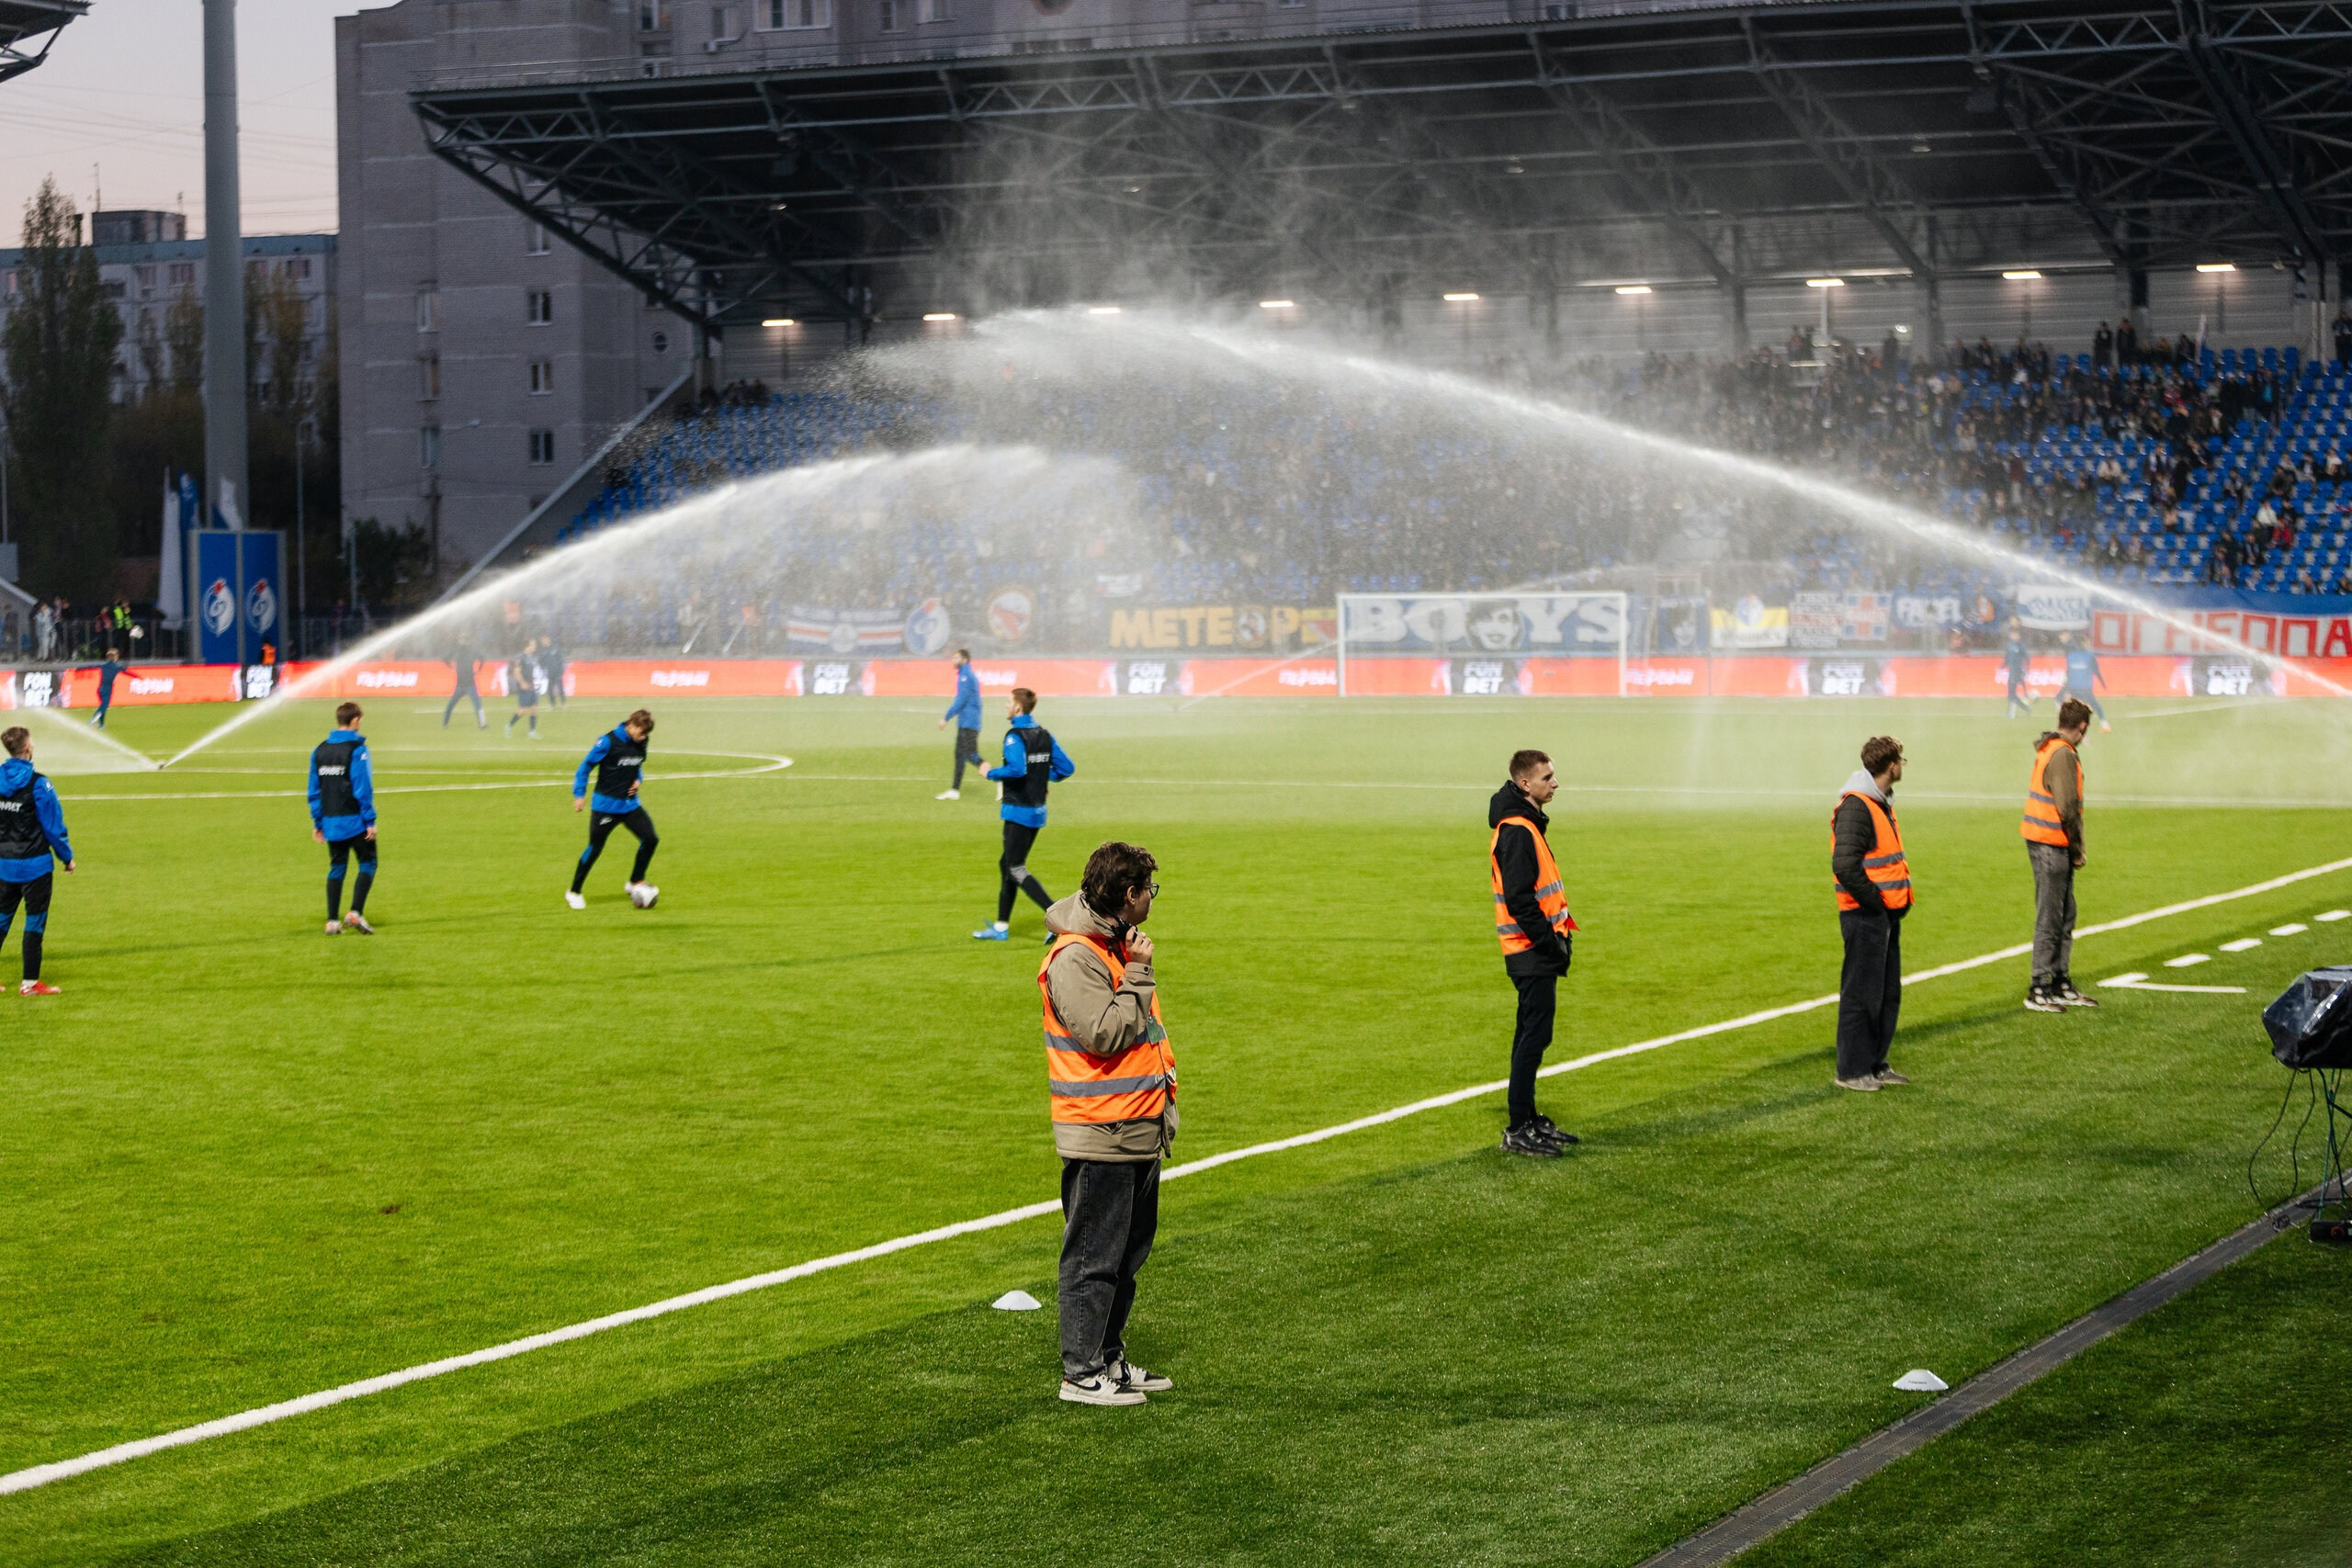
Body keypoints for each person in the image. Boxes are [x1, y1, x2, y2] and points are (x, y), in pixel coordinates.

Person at [1039, 840, 1177, 1406]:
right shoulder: (1076, 957)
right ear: (1128, 895)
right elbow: (1103, 1033)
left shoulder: (1115, 944)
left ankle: (1109, 1357)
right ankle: (1081, 1372)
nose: (1152, 898)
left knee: (1126, 1256)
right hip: (1101, 1130)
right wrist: (1140, 976)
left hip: (1135, 1126)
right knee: (1094, 1256)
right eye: (1150, 889)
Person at [1488, 750, 1577, 1156]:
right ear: (1526, 784)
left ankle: (1527, 1117)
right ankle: (1518, 1127)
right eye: (1547, 777)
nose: (1555, 783)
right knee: (1533, 1038)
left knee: (1532, 1035)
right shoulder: (1518, 831)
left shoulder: (1525, 825)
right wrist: (1552, 945)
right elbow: (1522, 901)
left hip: (1532, 950)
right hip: (1530, 951)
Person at [1831, 737, 1912, 1091]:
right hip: (1865, 915)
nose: (1902, 766)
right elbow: (1845, 866)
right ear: (1890, 765)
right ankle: (1851, 1071)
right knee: (1860, 994)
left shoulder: (1879, 803)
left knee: (1885, 993)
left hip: (1883, 916)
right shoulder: (1858, 807)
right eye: (1901, 760)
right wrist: (1877, 903)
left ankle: (1875, 1064)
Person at [973, 687, 1073, 942]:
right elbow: (1066, 768)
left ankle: (1058, 920)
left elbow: (1016, 769)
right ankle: (1000, 927)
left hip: (1019, 811)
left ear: (1018, 707)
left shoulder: (1014, 736)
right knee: (1006, 864)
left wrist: (989, 773)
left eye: (1008, 702)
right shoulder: (1043, 734)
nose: (1005, 706)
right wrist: (1041, 779)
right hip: (1037, 811)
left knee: (1015, 868)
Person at [2022, 699, 2097, 1012]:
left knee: (2064, 913)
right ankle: (2039, 986)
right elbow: (2067, 808)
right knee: (2051, 916)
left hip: (2047, 841)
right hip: (2051, 843)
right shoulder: (2063, 754)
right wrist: (2078, 848)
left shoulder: (2050, 747)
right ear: (2081, 726)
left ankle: (2059, 981)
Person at [0, 726, 74, 995]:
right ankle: (30, 983)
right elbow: (53, 827)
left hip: (4, 866)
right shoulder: (39, 784)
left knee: (1, 921)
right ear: (28, 748)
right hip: (35, 867)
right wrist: (67, 857)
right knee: (34, 923)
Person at [568, 709, 659, 908]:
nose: (643, 737)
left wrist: (638, 780)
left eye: (646, 734)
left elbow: (638, 764)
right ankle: (574, 891)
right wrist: (579, 794)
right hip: (606, 807)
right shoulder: (608, 742)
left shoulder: (641, 741)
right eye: (641, 732)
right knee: (595, 849)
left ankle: (635, 881)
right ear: (632, 725)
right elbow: (585, 766)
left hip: (630, 805)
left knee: (651, 839)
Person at [309, 701, 379, 935]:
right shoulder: (357, 750)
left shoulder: (319, 751)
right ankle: (354, 913)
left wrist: (318, 823)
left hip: (331, 822)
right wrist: (370, 821)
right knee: (368, 863)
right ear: (355, 720)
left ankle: (332, 921)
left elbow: (314, 791)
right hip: (355, 821)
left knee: (337, 867)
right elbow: (362, 788)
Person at [934, 648, 986, 801]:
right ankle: (954, 790)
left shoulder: (965, 675)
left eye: (956, 658)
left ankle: (999, 777)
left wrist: (946, 718)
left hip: (968, 722)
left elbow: (961, 700)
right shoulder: (968, 674)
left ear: (964, 659)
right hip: (969, 721)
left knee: (969, 755)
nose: (953, 660)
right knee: (961, 755)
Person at [2058, 633, 2112, 732]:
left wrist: (2066, 688)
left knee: (2077, 709)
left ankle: (2074, 729)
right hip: (2085, 688)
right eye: (2087, 642)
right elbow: (2097, 671)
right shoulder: (2090, 656)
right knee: (2094, 705)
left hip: (2073, 688)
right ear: (2083, 643)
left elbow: (2068, 673)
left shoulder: (2070, 656)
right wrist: (2103, 683)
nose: (2089, 644)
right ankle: (2104, 724)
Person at [504, 640, 543, 739]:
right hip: (524, 686)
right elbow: (516, 672)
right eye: (533, 645)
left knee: (534, 708)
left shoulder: (533, 658)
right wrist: (522, 683)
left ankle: (532, 732)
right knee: (523, 710)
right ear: (527, 646)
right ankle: (508, 726)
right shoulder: (520, 658)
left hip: (532, 685)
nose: (535, 647)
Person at [445, 643, 486, 729]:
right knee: (451, 705)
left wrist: (451, 666)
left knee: (477, 705)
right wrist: (479, 669)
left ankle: (482, 724)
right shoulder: (470, 651)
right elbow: (482, 659)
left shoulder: (458, 650)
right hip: (464, 684)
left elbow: (445, 658)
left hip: (467, 684)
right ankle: (445, 724)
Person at [89, 648, 124, 729]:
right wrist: (138, 677)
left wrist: (78, 669)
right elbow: (128, 672)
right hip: (108, 690)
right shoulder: (117, 667)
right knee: (104, 706)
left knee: (103, 706)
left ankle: (101, 725)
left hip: (100, 689)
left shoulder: (103, 666)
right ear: (115, 657)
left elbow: (90, 667)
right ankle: (94, 718)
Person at [2002, 619, 2030, 718]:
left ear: (2019, 635)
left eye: (2016, 634)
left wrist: (2026, 671)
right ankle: (2025, 707)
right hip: (2012, 672)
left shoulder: (2021, 646)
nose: (2014, 636)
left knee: (2011, 693)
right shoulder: (2009, 645)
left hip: (2017, 672)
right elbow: (2007, 657)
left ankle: (2011, 714)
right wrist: (2002, 666)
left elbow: (2027, 659)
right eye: (2012, 634)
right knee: (2011, 694)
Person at [540, 637, 568, 708]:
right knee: (550, 689)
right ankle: (552, 703)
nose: (543, 642)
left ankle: (563, 703)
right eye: (542, 641)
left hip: (557, 672)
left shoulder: (555, 648)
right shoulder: (543, 651)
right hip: (549, 673)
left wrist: (561, 670)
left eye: (544, 640)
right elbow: (541, 661)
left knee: (560, 688)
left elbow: (561, 659)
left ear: (548, 640)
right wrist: (543, 669)